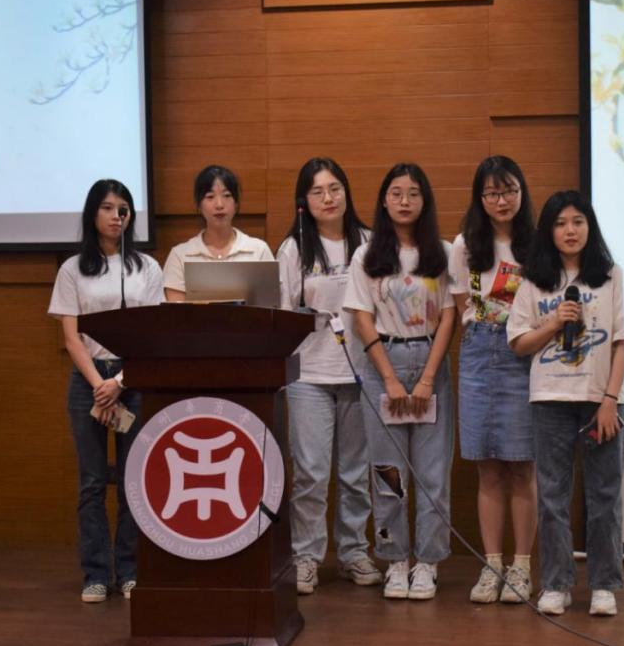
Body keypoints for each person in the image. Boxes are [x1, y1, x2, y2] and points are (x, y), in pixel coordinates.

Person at [506, 190, 624, 617]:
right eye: (561, 223)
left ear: (589, 226)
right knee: (551, 496)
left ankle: (603, 585)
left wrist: (610, 399)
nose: (570, 230)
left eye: (578, 222)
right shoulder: (534, 280)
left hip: (601, 401)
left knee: (604, 495)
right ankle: (556, 583)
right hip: (550, 400)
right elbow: (519, 343)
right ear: (549, 231)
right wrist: (553, 323)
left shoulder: (611, 276)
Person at [48, 179, 164, 603]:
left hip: (132, 379)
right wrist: (100, 384)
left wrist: (121, 381)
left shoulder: (146, 267)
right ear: (92, 214)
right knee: (93, 482)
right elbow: (71, 336)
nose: (117, 216)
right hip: (89, 383)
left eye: (124, 209)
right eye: (108, 208)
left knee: (135, 479)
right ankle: (96, 573)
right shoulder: (72, 268)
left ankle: (130, 570)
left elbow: (154, 333)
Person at [343, 163, 455, 601]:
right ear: (384, 200)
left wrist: (426, 379)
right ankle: (395, 560)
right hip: (382, 364)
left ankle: (428, 561)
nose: (404, 201)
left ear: (425, 200)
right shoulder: (366, 255)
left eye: (413, 193)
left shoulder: (442, 252)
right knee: (388, 471)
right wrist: (389, 379)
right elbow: (361, 318)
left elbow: (449, 316)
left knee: (432, 472)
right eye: (396, 193)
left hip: (430, 363)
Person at [276, 157, 381, 594]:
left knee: (356, 473)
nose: (328, 198)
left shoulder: (369, 243)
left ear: (346, 192)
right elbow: (281, 313)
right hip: (309, 376)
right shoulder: (293, 248)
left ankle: (354, 551)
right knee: (311, 473)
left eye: (335, 188)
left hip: (361, 374)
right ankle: (306, 556)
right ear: (304, 201)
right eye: (317, 191)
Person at [448, 155, 538, 604]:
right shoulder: (465, 244)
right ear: (480, 198)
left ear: (522, 192)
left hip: (526, 352)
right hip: (480, 350)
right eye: (492, 193)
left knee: (522, 464)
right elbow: (462, 306)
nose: (502, 201)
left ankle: (522, 568)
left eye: (509, 191)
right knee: (487, 465)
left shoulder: (538, 243)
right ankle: (491, 566)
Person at [163, 164, 273, 301]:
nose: (219, 204)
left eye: (227, 195)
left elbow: (270, 307)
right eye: (210, 197)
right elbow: (176, 311)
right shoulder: (179, 255)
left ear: (236, 203)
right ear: (199, 205)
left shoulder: (259, 250)